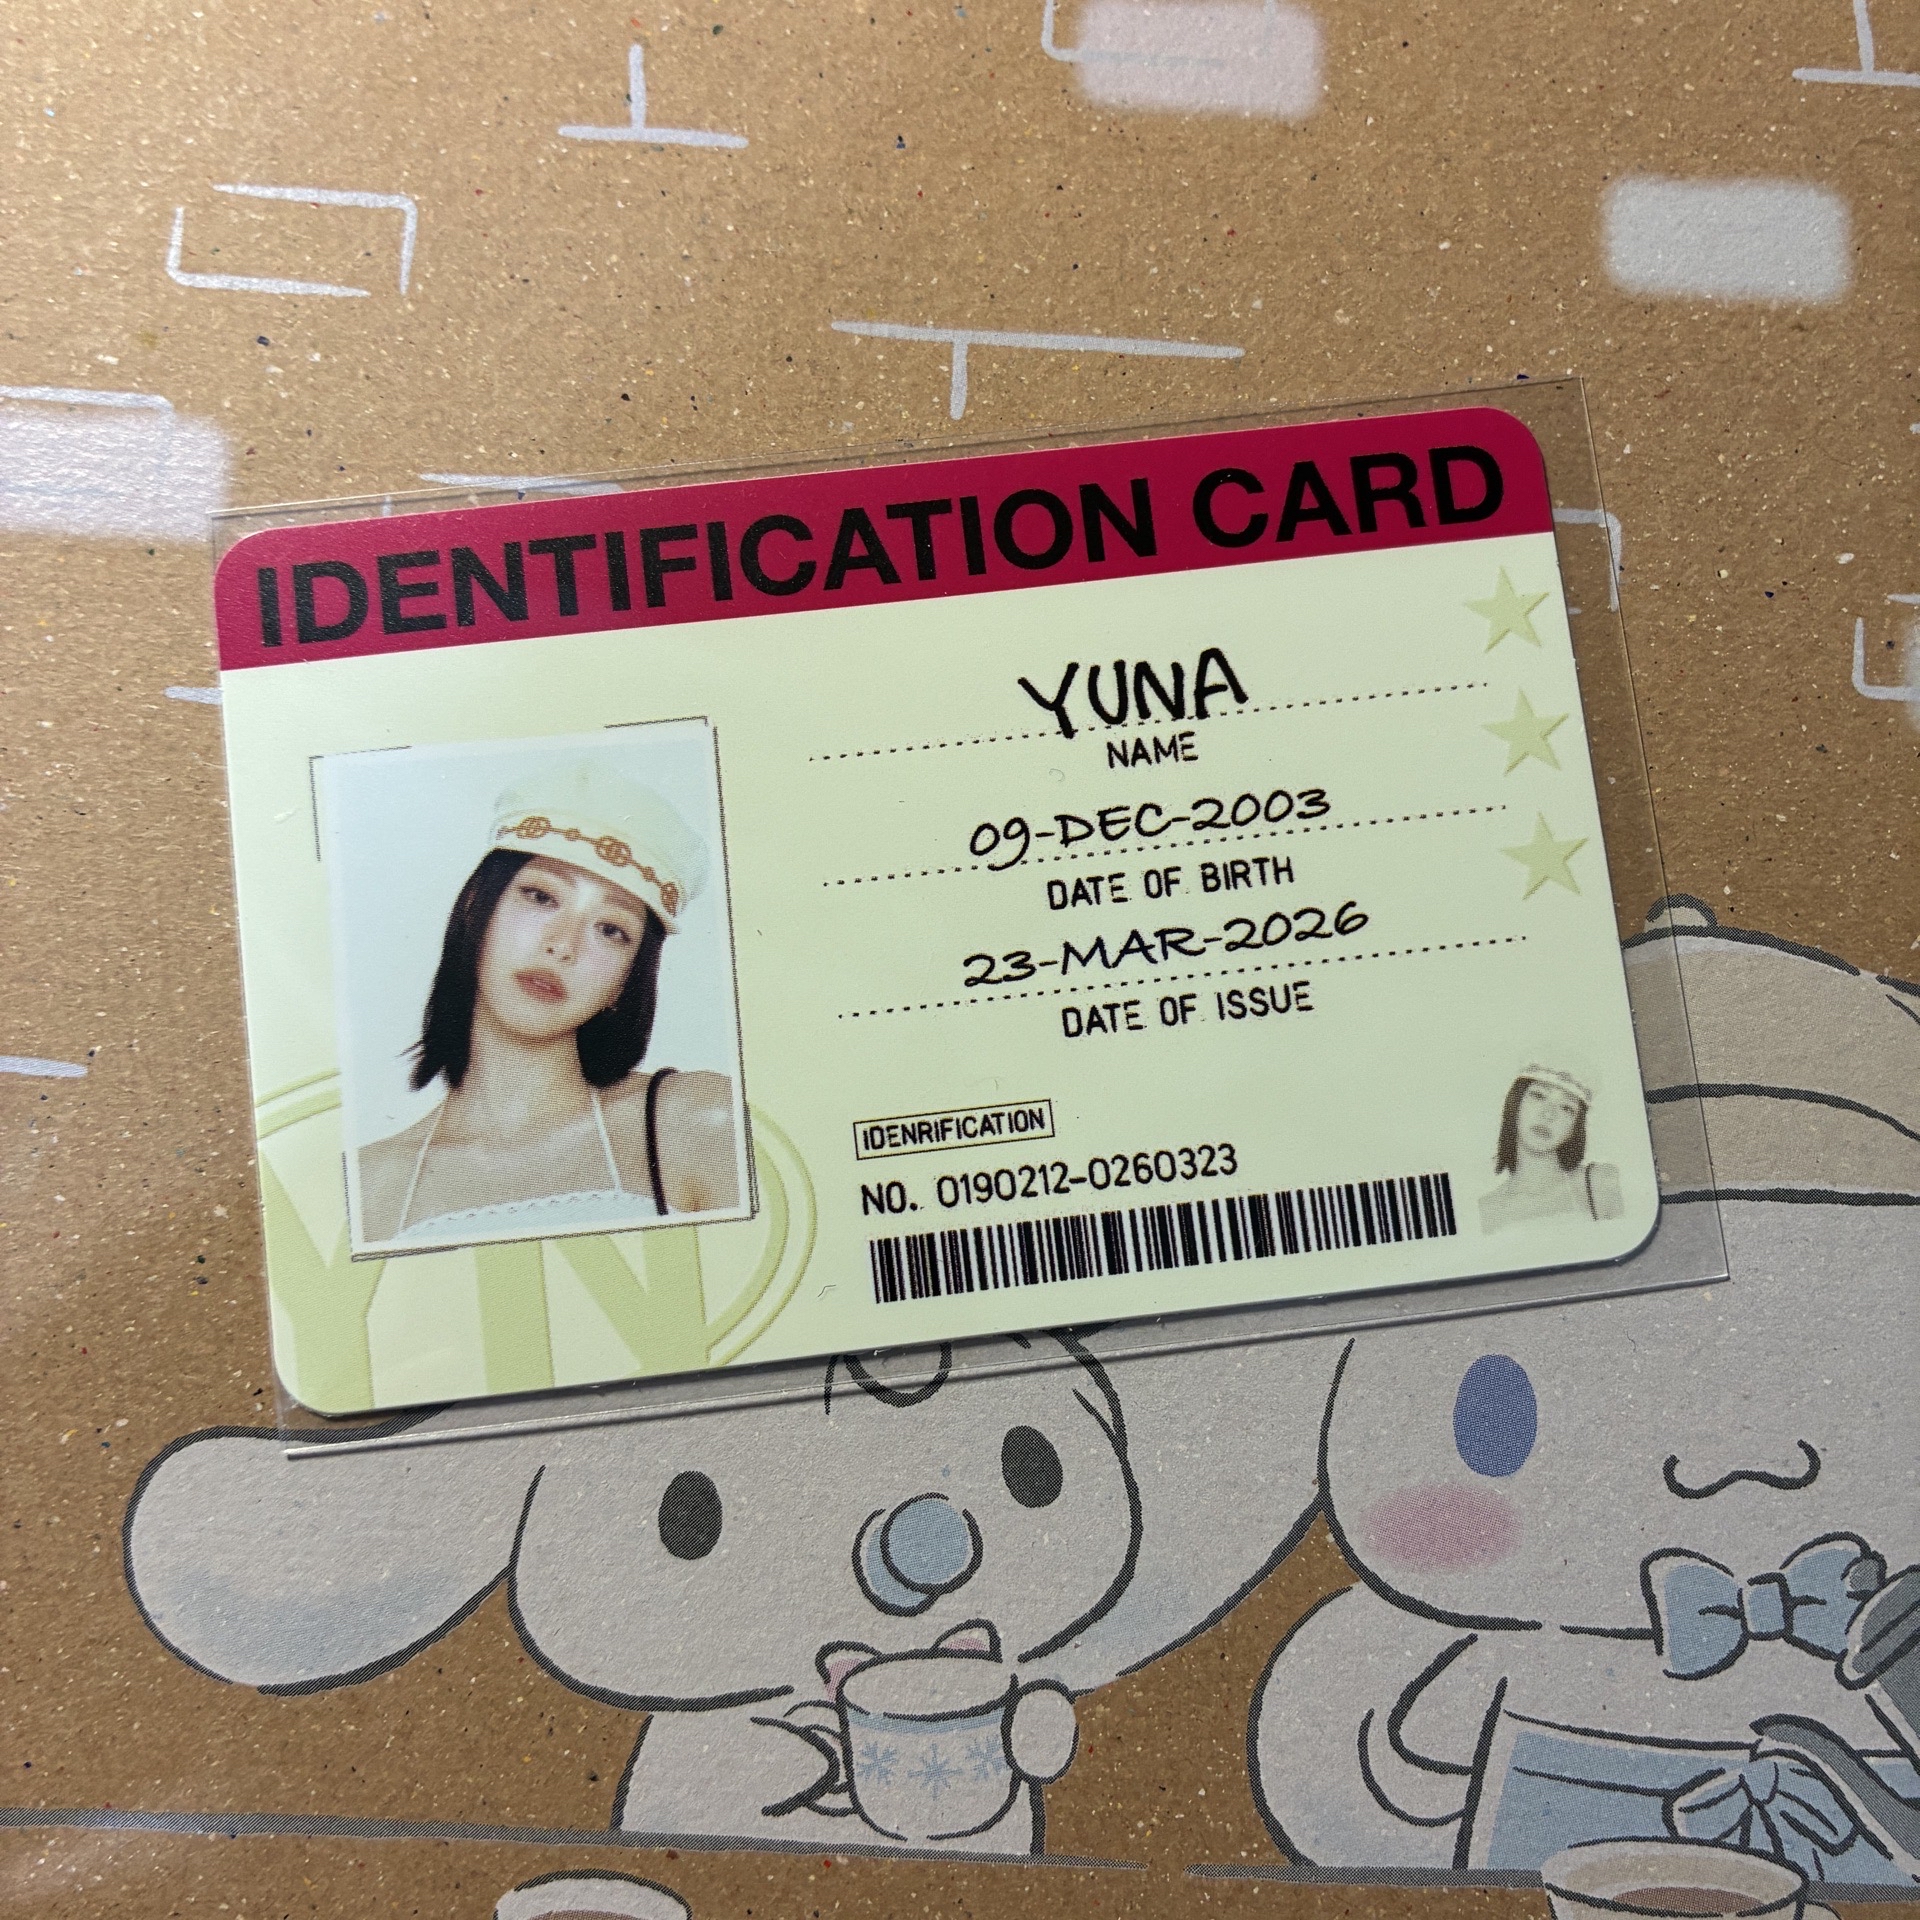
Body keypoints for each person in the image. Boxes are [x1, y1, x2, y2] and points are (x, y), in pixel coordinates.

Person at [356, 763, 741, 1245]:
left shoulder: (695, 1122)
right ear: (476, 907)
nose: (563, 945)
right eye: (540, 896)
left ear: (626, 981)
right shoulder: (370, 1187)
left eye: (610, 929)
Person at [1477, 1063, 1621, 1232]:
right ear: (1515, 1103)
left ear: (1575, 1127)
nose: (1548, 1114)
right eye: (1539, 1095)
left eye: (1566, 1107)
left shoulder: (1599, 1181)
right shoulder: (1485, 1210)